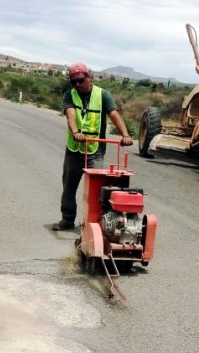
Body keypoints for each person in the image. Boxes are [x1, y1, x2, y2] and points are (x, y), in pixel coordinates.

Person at [52, 62, 133, 231]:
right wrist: (75, 132)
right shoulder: (70, 95)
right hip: (74, 149)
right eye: (73, 82)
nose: (78, 85)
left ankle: (95, 225)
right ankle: (67, 220)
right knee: (69, 187)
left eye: (81, 80)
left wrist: (125, 135)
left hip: (95, 151)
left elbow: (113, 114)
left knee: (98, 190)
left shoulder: (103, 95)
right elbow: (71, 115)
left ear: (89, 77)